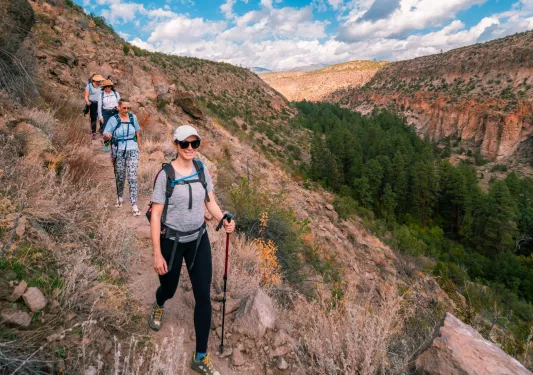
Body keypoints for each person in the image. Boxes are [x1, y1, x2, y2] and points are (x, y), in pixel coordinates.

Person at [148, 125, 235, 375]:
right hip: (171, 242)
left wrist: (223, 219)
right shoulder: (165, 174)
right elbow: (155, 216)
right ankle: (159, 302)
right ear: (175, 144)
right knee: (169, 287)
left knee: (203, 297)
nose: (189, 149)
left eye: (194, 144)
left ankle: (200, 357)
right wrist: (157, 253)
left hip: (198, 240)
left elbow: (210, 202)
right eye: (184, 144)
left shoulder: (201, 169)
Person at [103, 98, 142, 215]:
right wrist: (107, 135)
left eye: (128, 108)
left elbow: (137, 130)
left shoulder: (132, 117)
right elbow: (105, 134)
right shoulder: (113, 120)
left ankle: (134, 204)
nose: (126, 110)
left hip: (133, 149)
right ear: (118, 107)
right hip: (118, 150)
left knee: (132, 176)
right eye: (124, 108)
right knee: (120, 176)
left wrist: (139, 144)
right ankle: (120, 196)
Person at [97, 79, 120, 151]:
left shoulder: (116, 94)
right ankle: (106, 144)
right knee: (106, 129)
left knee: (116, 128)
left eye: (109, 86)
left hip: (115, 112)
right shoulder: (101, 95)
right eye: (106, 86)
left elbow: (120, 104)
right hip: (106, 113)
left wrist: (119, 109)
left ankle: (115, 144)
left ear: (111, 87)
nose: (107, 88)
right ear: (104, 87)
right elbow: (99, 106)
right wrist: (100, 117)